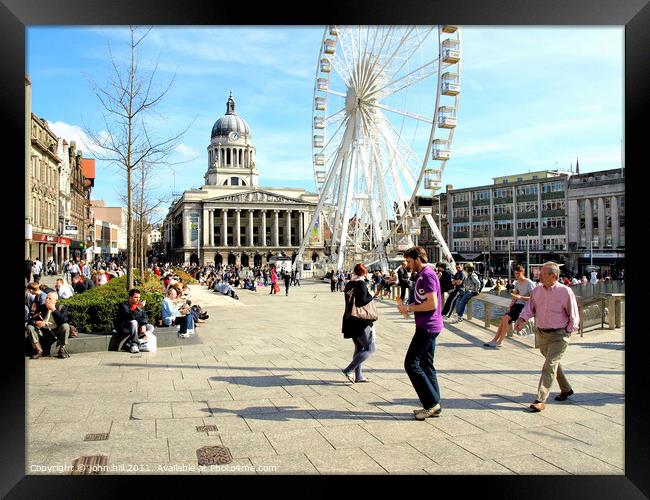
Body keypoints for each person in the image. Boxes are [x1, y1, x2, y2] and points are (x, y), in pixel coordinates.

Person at [514, 261, 580, 412]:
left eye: (542, 274)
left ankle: (540, 399)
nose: (539, 276)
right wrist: (522, 320)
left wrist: (568, 331)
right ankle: (566, 389)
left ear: (553, 276)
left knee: (549, 365)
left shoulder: (565, 291)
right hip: (542, 334)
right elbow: (530, 308)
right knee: (553, 363)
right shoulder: (537, 290)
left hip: (559, 334)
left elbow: (573, 315)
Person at [396, 246, 444, 420]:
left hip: (428, 326)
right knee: (426, 364)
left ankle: (431, 403)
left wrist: (409, 307)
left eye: (409, 261)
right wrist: (407, 310)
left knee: (411, 363)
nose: (407, 265)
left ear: (417, 259)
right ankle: (435, 405)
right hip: (427, 325)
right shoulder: (422, 276)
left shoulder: (428, 275)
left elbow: (432, 304)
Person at [341, 263, 376, 384]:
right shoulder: (361, 283)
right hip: (360, 321)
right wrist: (371, 295)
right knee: (370, 348)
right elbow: (361, 302)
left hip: (349, 318)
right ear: (363, 273)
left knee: (359, 347)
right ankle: (348, 370)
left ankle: (359, 375)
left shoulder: (349, 284)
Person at [484, 265, 536, 347]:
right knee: (503, 320)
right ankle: (494, 340)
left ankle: (500, 341)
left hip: (523, 307)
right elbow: (515, 297)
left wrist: (521, 297)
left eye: (518, 273)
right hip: (517, 305)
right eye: (515, 274)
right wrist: (510, 306)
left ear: (522, 273)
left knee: (505, 318)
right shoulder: (517, 283)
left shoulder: (529, 283)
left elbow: (533, 298)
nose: (516, 275)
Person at [25, 291, 71, 359]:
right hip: (43, 331)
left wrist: (54, 310)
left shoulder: (62, 307)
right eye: (46, 298)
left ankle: (62, 350)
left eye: (49, 298)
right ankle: (39, 350)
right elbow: (30, 319)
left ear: (55, 300)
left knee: (66, 326)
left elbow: (64, 320)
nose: (47, 300)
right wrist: (37, 322)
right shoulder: (41, 307)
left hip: (56, 330)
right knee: (29, 327)